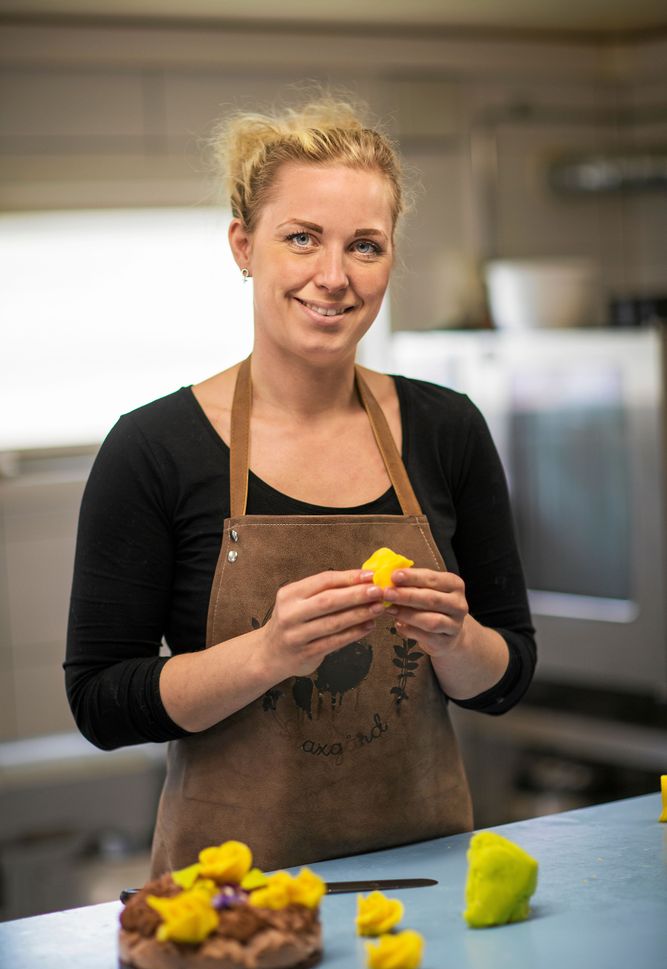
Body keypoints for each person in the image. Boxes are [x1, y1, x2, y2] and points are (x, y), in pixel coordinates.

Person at [64, 96, 536, 877]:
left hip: (426, 876)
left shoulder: (447, 428)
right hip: (231, 899)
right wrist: (270, 652)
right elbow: (102, 703)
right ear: (244, 246)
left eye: (364, 246)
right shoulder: (152, 448)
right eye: (301, 239)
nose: (333, 276)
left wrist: (459, 639)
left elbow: (503, 680)